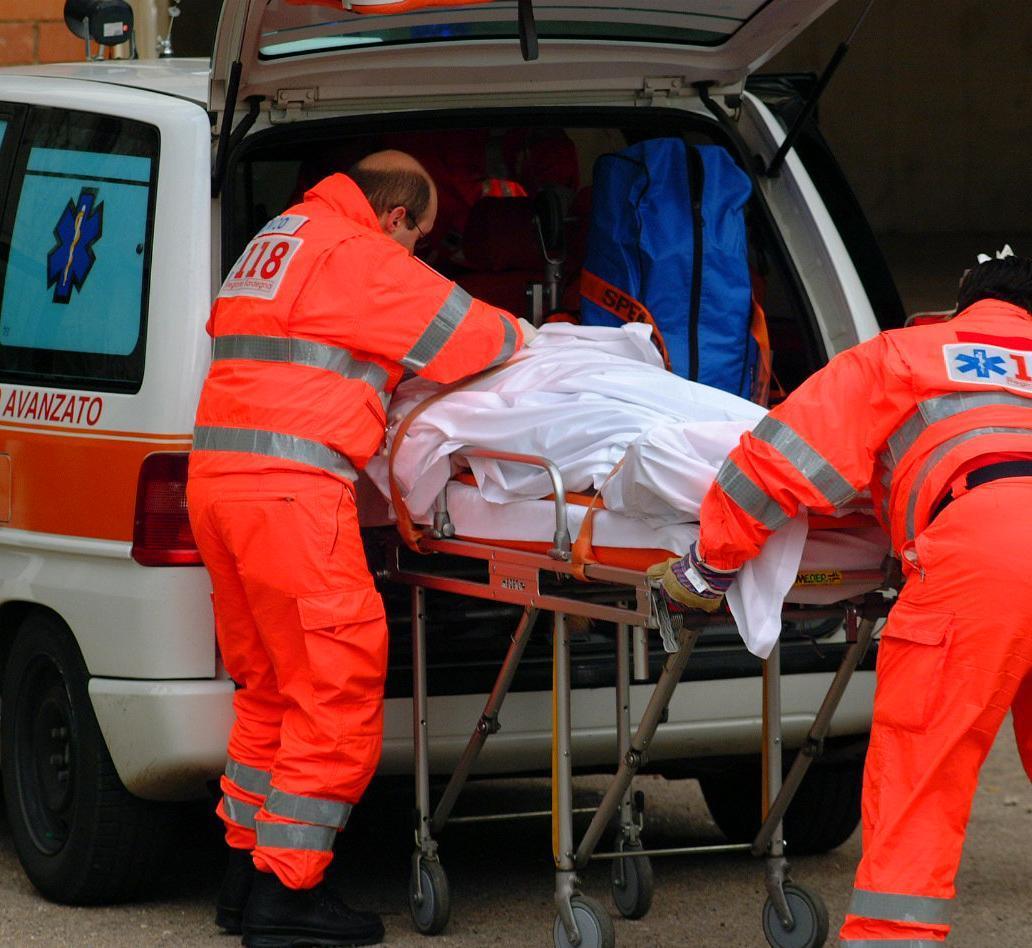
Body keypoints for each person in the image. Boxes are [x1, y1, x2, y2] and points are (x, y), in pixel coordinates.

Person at [187, 150, 531, 947]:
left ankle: (244, 876)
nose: (416, 253)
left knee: (271, 689)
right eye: (420, 238)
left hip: (220, 487)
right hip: (292, 496)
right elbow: (475, 337)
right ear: (397, 216)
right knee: (334, 688)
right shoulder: (358, 252)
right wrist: (530, 329)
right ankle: (287, 894)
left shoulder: (279, 238)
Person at [651, 252, 1032, 945]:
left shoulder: (910, 352)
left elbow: (779, 461)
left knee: (924, 772)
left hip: (984, 551)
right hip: (990, 543)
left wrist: (710, 566)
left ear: (963, 303)